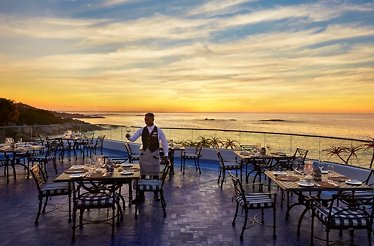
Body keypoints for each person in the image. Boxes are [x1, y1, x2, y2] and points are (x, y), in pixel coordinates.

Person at [126, 112, 168, 202]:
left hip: (154, 156)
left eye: (147, 119)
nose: (146, 121)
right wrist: (129, 137)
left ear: (153, 119)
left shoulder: (159, 131)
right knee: (143, 176)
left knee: (155, 175)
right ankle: (141, 196)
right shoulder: (142, 130)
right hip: (144, 156)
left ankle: (156, 195)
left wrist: (166, 155)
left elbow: (164, 143)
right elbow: (133, 139)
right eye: (145, 119)